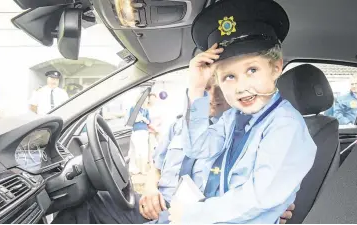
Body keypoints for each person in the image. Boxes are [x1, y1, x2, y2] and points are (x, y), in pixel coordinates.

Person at [52, 77, 295, 224]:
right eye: (206, 89)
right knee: (85, 202)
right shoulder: (179, 125)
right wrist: (149, 191)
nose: (213, 96)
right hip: (157, 205)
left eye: (220, 88)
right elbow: (155, 169)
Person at [167, 0, 317, 223]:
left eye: (252, 70)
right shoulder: (233, 117)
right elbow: (197, 148)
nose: (241, 87)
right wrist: (197, 88)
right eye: (229, 77)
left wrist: (192, 215)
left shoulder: (286, 126)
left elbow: (258, 200)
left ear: (276, 68)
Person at [129, 103, 151, 174]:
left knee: (144, 150)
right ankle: (138, 169)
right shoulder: (133, 108)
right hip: (136, 130)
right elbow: (131, 120)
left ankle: (143, 169)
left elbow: (149, 121)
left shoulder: (146, 110)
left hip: (144, 130)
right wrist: (139, 119)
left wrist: (143, 119)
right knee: (138, 150)